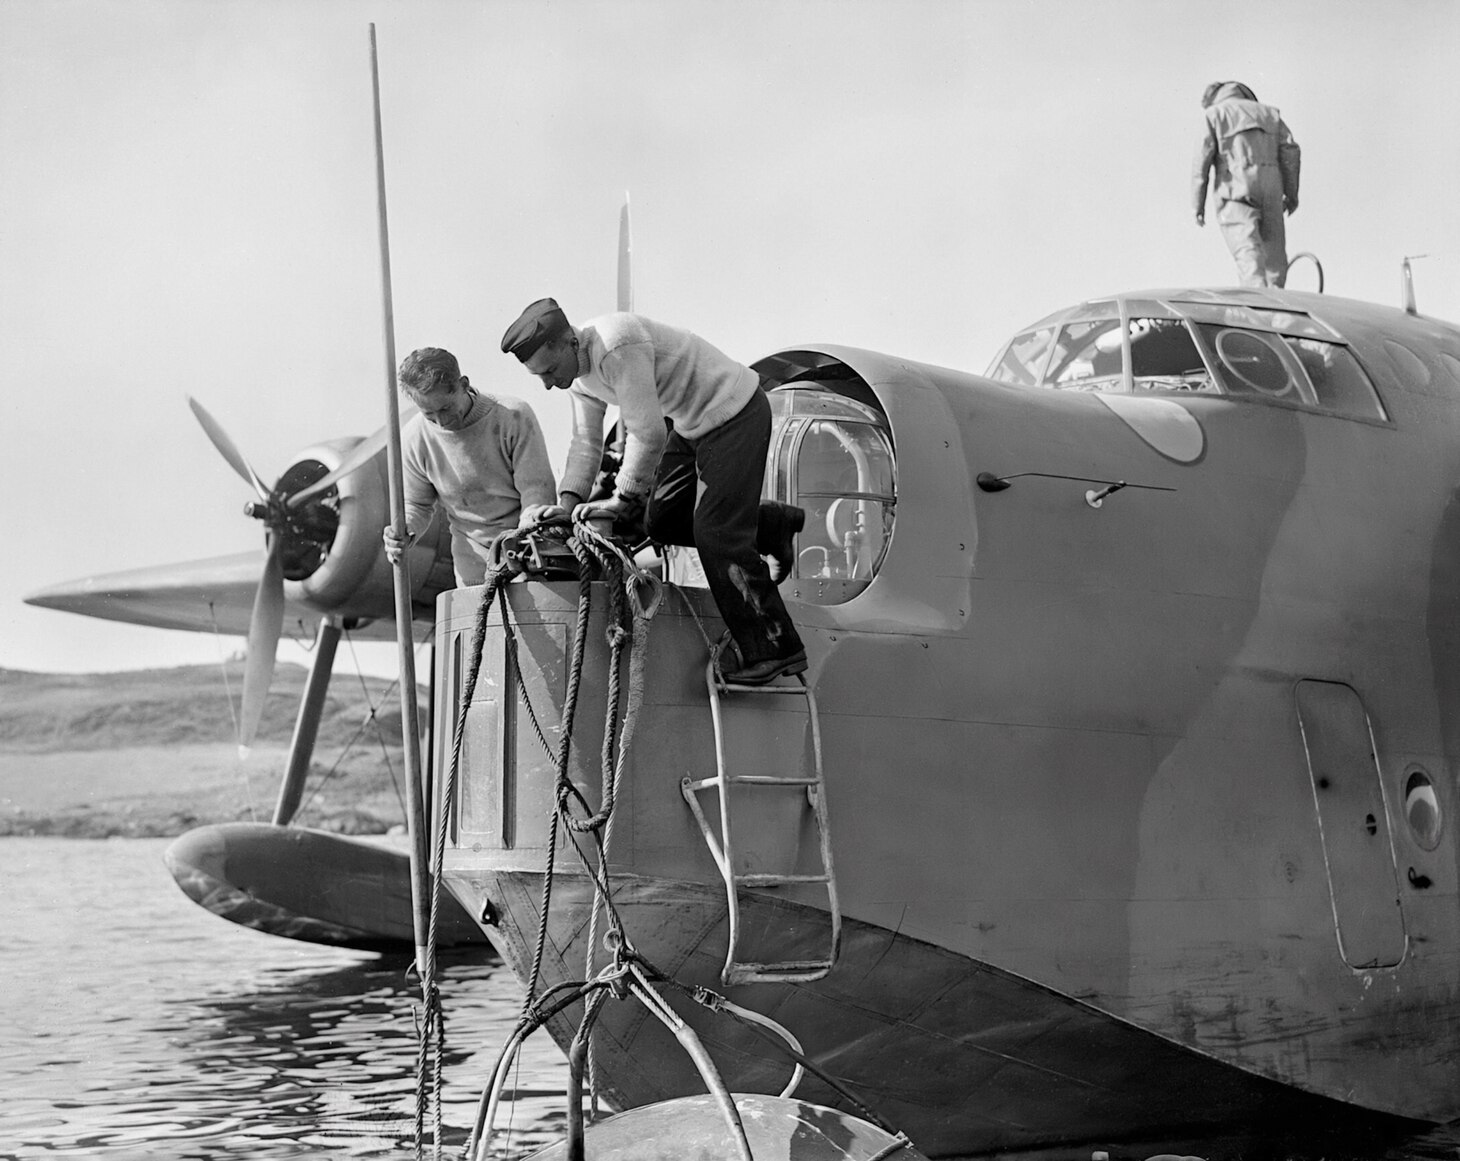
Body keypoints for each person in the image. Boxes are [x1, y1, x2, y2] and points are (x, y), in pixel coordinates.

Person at [500, 299, 806, 685]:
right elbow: (584, 443)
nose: (547, 383)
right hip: (694, 423)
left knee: (718, 534)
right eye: (538, 377)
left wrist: (621, 500)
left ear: (570, 343)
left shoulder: (615, 346)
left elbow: (648, 434)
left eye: (549, 371)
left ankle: (775, 648)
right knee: (660, 522)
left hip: (735, 411)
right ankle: (770, 525)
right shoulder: (575, 375)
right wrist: (567, 505)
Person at [382, 346, 556, 586]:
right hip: (470, 556)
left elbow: (536, 491)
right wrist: (405, 529)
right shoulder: (414, 438)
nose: (441, 422)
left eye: (446, 408)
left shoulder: (513, 416)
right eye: (429, 414)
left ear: (463, 385)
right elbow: (417, 504)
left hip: (526, 545)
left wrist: (525, 542)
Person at [1192, 80, 1301, 288]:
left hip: (1236, 191)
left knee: (1249, 258)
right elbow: (1291, 152)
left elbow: (1201, 162)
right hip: (1271, 191)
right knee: (1275, 267)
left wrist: (1198, 204)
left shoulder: (1214, 115)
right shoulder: (1270, 114)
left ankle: (1258, 315)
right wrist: (1291, 194)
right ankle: (1278, 317)